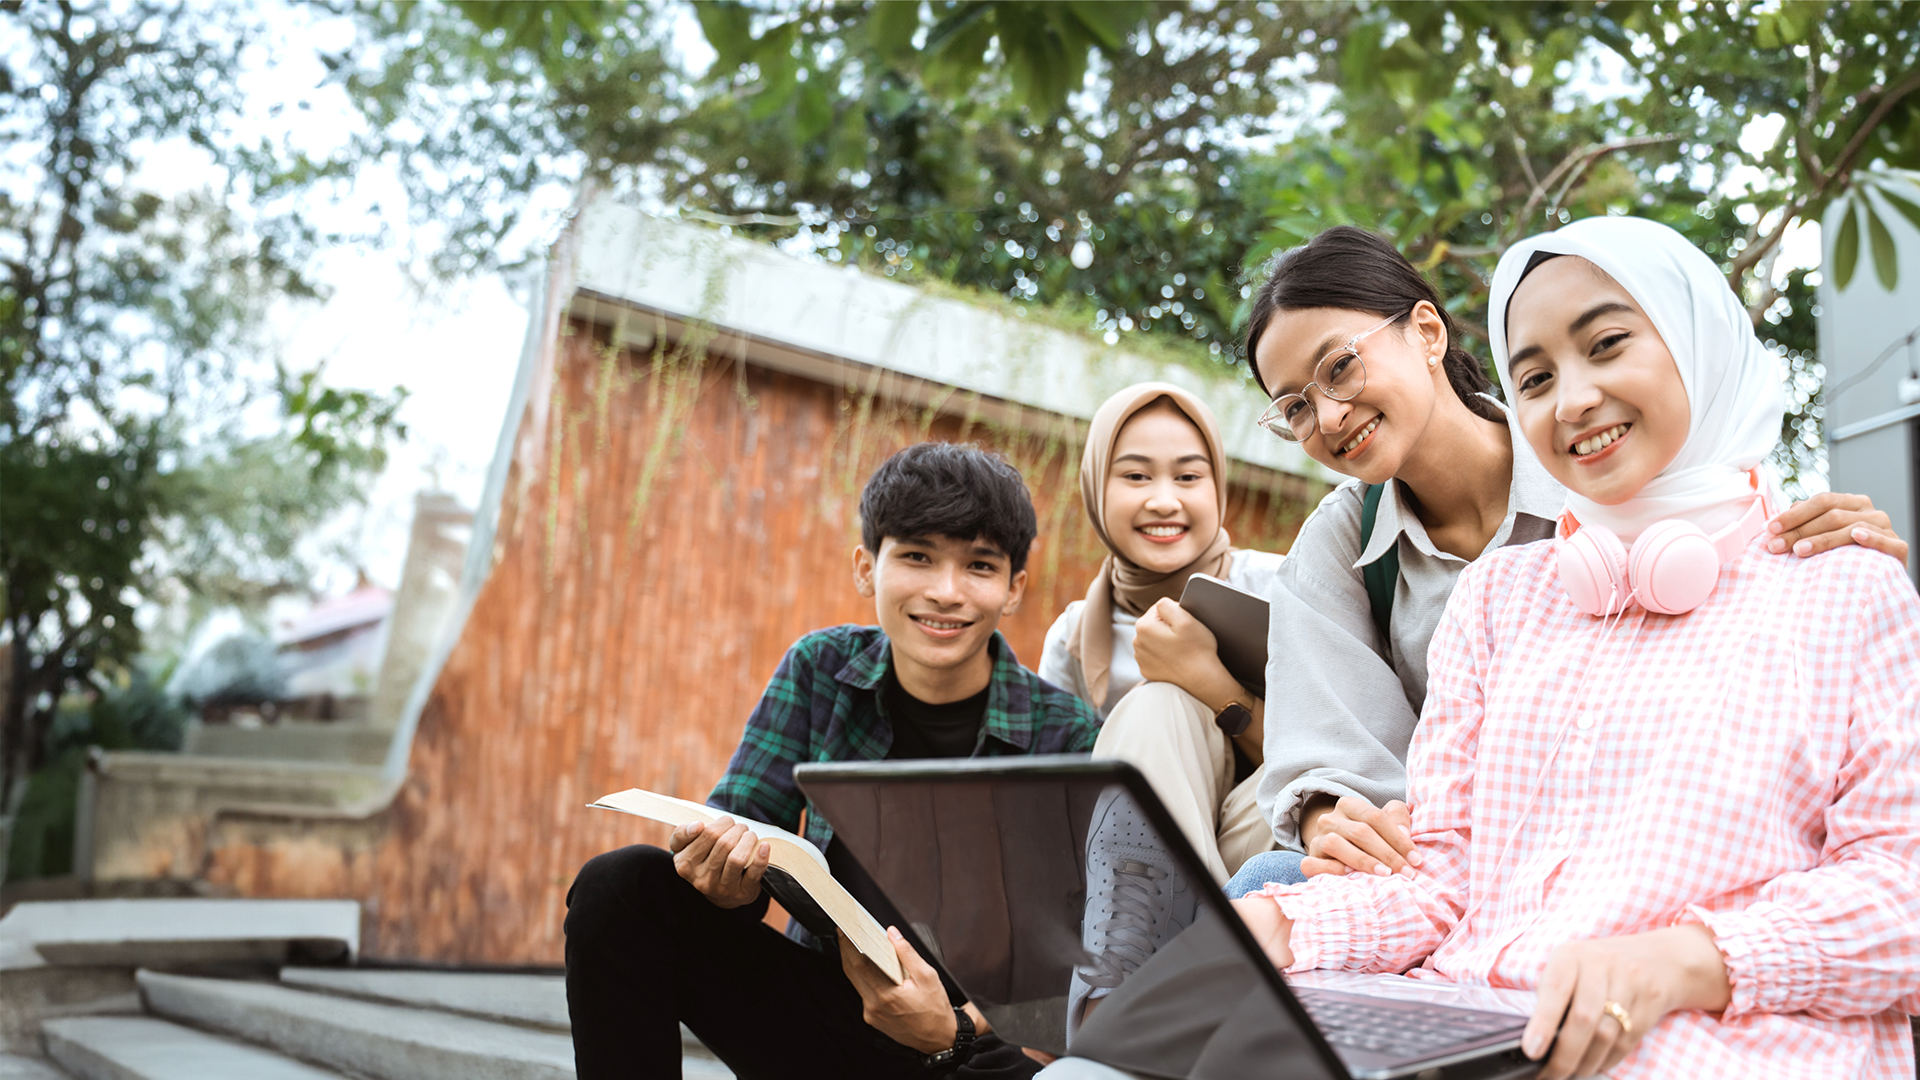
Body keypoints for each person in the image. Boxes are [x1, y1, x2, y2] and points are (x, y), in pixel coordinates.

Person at [1225, 215, 1920, 1078]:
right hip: (1479, 1020)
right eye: (1538, 377)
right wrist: (1290, 927)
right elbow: (1441, 872)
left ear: (1698, 340)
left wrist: (1685, 962)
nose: (1574, 399)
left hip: (1714, 1039)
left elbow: (1903, 894)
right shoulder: (1495, 595)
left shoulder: (1842, 585)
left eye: (1608, 344)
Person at [563, 441, 1101, 1080]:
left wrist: (957, 1027)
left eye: (979, 566)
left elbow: (1081, 960)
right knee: (620, 885)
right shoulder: (820, 670)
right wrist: (720, 872)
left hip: (966, 1044)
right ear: (866, 568)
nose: (945, 591)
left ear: (1013, 588)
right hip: (821, 1017)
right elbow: (740, 825)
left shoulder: (1069, 735)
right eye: (917, 557)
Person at [1038, 383, 1286, 884]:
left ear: (1217, 486)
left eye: (1189, 476)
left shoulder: (1284, 587)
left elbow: (1336, 760)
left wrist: (1209, 682)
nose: (1164, 500)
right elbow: (1059, 804)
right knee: (1155, 710)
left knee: (1167, 703)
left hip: (1265, 837)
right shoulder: (1075, 636)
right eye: (1135, 475)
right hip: (1137, 868)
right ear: (1094, 487)